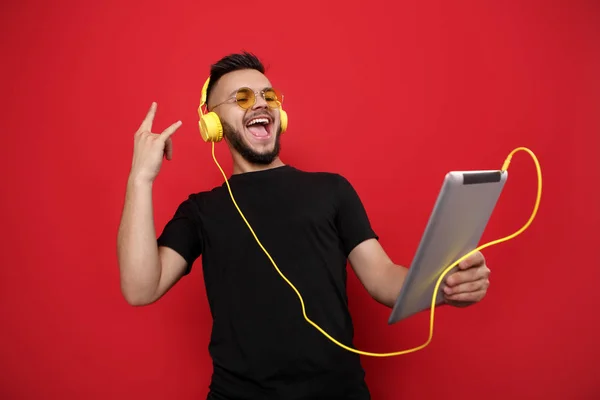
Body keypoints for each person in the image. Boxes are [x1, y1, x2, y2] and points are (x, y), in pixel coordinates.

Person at [116, 52, 491, 400]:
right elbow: (139, 288)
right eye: (242, 98)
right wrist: (140, 178)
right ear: (212, 123)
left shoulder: (332, 189)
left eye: (268, 96)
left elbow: (384, 279)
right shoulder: (201, 210)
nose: (260, 103)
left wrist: (442, 286)